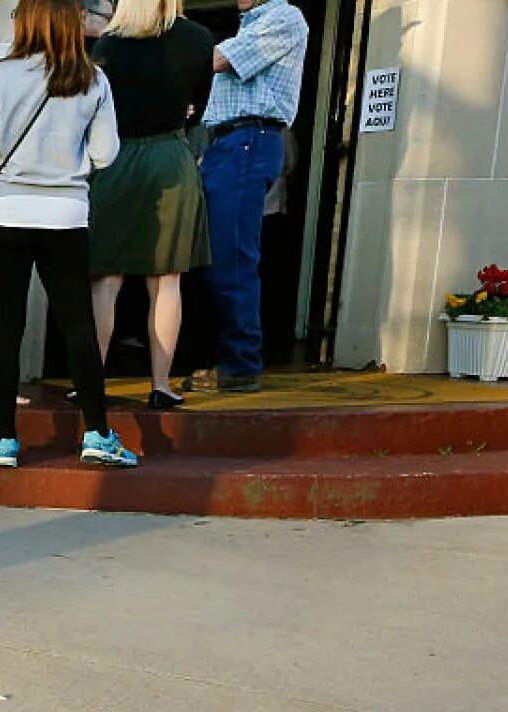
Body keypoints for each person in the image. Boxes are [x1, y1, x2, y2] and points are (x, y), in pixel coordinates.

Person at [0, 0, 137, 469]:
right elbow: (106, 153)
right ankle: (96, 432)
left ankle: (5, 441)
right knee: (77, 324)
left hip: (6, 213)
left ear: (27, 22)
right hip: (65, 215)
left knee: (6, 327)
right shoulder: (93, 79)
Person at [88, 0, 213, 409]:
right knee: (167, 281)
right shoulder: (198, 39)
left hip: (115, 159)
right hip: (170, 160)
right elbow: (198, 109)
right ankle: (161, 385)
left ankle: (91, 380)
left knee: (106, 278)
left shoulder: (106, 46)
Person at [188, 0, 308, 393]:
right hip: (230, 142)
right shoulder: (250, 23)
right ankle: (226, 357)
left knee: (232, 258)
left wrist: (161, 51)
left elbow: (218, 61)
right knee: (215, 257)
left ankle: (240, 363)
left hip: (248, 140)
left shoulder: (282, 17)